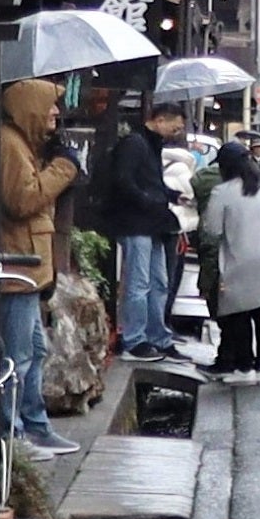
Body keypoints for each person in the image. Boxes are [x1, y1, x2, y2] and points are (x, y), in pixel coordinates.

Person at [0, 79, 84, 458]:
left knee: (33, 350)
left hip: (30, 271)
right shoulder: (9, 144)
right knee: (18, 357)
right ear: (30, 108)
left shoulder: (23, 144)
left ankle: (35, 426)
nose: (55, 112)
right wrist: (63, 168)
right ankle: (13, 434)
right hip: (18, 268)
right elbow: (22, 200)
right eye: (49, 105)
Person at [201, 141, 260, 387]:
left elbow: (212, 229)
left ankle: (244, 368)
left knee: (238, 315)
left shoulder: (222, 191)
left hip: (240, 259)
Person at [99, 102, 189, 363]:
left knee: (159, 282)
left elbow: (148, 183)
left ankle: (157, 337)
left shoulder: (150, 144)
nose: (176, 133)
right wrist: (151, 200)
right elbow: (123, 181)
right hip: (136, 222)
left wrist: (171, 195)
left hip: (151, 222)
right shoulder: (135, 144)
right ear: (160, 120)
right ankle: (134, 340)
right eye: (175, 127)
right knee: (139, 283)